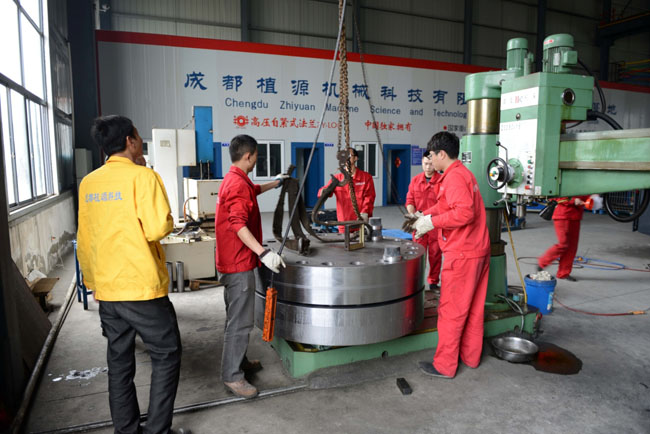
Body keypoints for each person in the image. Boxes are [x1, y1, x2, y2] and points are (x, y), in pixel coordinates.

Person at [77, 115, 186, 434]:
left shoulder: (89, 183)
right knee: (166, 355)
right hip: (141, 288)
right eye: (137, 136)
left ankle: (126, 430)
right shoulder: (144, 177)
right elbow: (157, 229)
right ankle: (157, 430)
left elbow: (85, 238)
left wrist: (93, 283)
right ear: (130, 140)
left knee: (119, 363)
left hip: (108, 290)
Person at [403, 131, 490, 379]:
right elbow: (445, 206)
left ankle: (445, 365)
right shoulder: (461, 173)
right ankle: (471, 357)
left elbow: (464, 213)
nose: (430, 160)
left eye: (431, 155)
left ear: (441, 154)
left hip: (462, 253)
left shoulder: (454, 178)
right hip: (476, 250)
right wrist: (423, 215)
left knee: (451, 310)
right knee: (473, 309)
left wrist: (431, 223)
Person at [215, 134, 288, 399]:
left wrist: (275, 183)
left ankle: (239, 361)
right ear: (249, 156)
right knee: (240, 322)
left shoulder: (236, 179)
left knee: (235, 316)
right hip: (238, 263)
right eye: (257, 156)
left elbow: (252, 191)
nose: (257, 160)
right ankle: (232, 376)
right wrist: (263, 252)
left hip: (231, 259)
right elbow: (237, 224)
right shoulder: (237, 184)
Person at [405, 153, 442, 291]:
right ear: (421, 163)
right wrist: (412, 215)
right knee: (418, 254)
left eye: (431, 164)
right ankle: (416, 282)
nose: (428, 167)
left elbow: (443, 204)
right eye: (425, 164)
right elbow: (410, 200)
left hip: (434, 224)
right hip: (418, 223)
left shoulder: (441, 181)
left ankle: (433, 282)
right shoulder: (415, 180)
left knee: (435, 254)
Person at [317, 148, 376, 233]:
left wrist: (364, 213)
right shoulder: (337, 178)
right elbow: (323, 192)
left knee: (363, 240)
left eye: (349, 155)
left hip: (360, 220)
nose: (346, 158)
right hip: (343, 222)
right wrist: (323, 192)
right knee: (344, 241)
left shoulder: (366, 177)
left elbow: (369, 197)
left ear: (355, 158)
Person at [538, 196, 589, 281]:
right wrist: (572, 201)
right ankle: (542, 262)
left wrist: (592, 197)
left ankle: (563, 273)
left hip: (575, 216)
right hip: (562, 215)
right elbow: (554, 196)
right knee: (563, 244)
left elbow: (585, 194)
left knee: (572, 247)